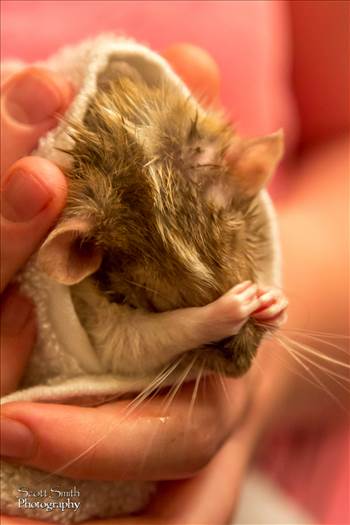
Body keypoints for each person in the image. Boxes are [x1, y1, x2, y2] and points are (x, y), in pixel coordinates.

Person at [1, 1, 348, 523]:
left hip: (284, 473)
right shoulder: (93, 236)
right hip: (41, 485)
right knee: (36, 497)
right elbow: (123, 333)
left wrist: (262, 378)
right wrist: (209, 320)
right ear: (81, 252)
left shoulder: (212, 166)